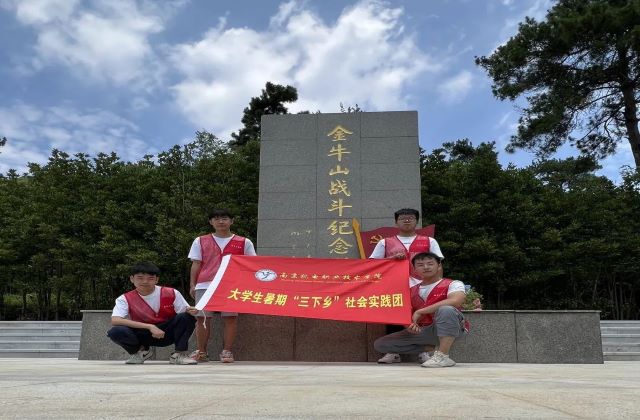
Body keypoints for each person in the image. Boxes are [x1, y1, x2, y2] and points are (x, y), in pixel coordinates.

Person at [369, 208, 444, 364]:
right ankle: (392, 352)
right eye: (403, 218)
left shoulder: (429, 241)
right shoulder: (385, 242)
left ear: (417, 221)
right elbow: (373, 264)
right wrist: (391, 258)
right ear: (396, 222)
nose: (407, 220)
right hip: (394, 285)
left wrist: (437, 284)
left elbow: (438, 264)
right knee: (394, 316)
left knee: (422, 317)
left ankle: (424, 351)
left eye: (410, 217)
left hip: (422, 284)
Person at [374, 252, 467, 367]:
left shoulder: (453, 284)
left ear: (439, 266)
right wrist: (409, 326)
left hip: (452, 327)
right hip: (424, 330)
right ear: (414, 269)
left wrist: (420, 311)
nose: (426, 267)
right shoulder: (410, 290)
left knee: (446, 309)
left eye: (430, 264)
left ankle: (443, 356)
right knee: (381, 344)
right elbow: (404, 313)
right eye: (420, 265)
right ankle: (431, 348)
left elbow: (456, 301)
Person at [188, 208, 256, 363]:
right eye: (216, 219)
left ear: (232, 221)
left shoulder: (244, 242)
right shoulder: (200, 240)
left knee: (230, 318)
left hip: (232, 285)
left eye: (224, 218)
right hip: (205, 284)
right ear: (211, 222)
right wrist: (193, 284)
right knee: (202, 318)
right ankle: (202, 352)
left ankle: (227, 351)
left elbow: (251, 265)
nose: (221, 222)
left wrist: (247, 285)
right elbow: (196, 264)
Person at [107, 262, 198, 365]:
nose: (145, 281)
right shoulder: (124, 298)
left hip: (167, 333)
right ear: (132, 279)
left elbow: (185, 314)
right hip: (143, 334)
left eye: (150, 278)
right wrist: (150, 326)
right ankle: (140, 352)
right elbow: (115, 320)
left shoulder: (172, 293)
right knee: (115, 331)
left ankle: (180, 354)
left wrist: (192, 311)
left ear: (156, 279)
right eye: (140, 278)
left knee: (187, 317)